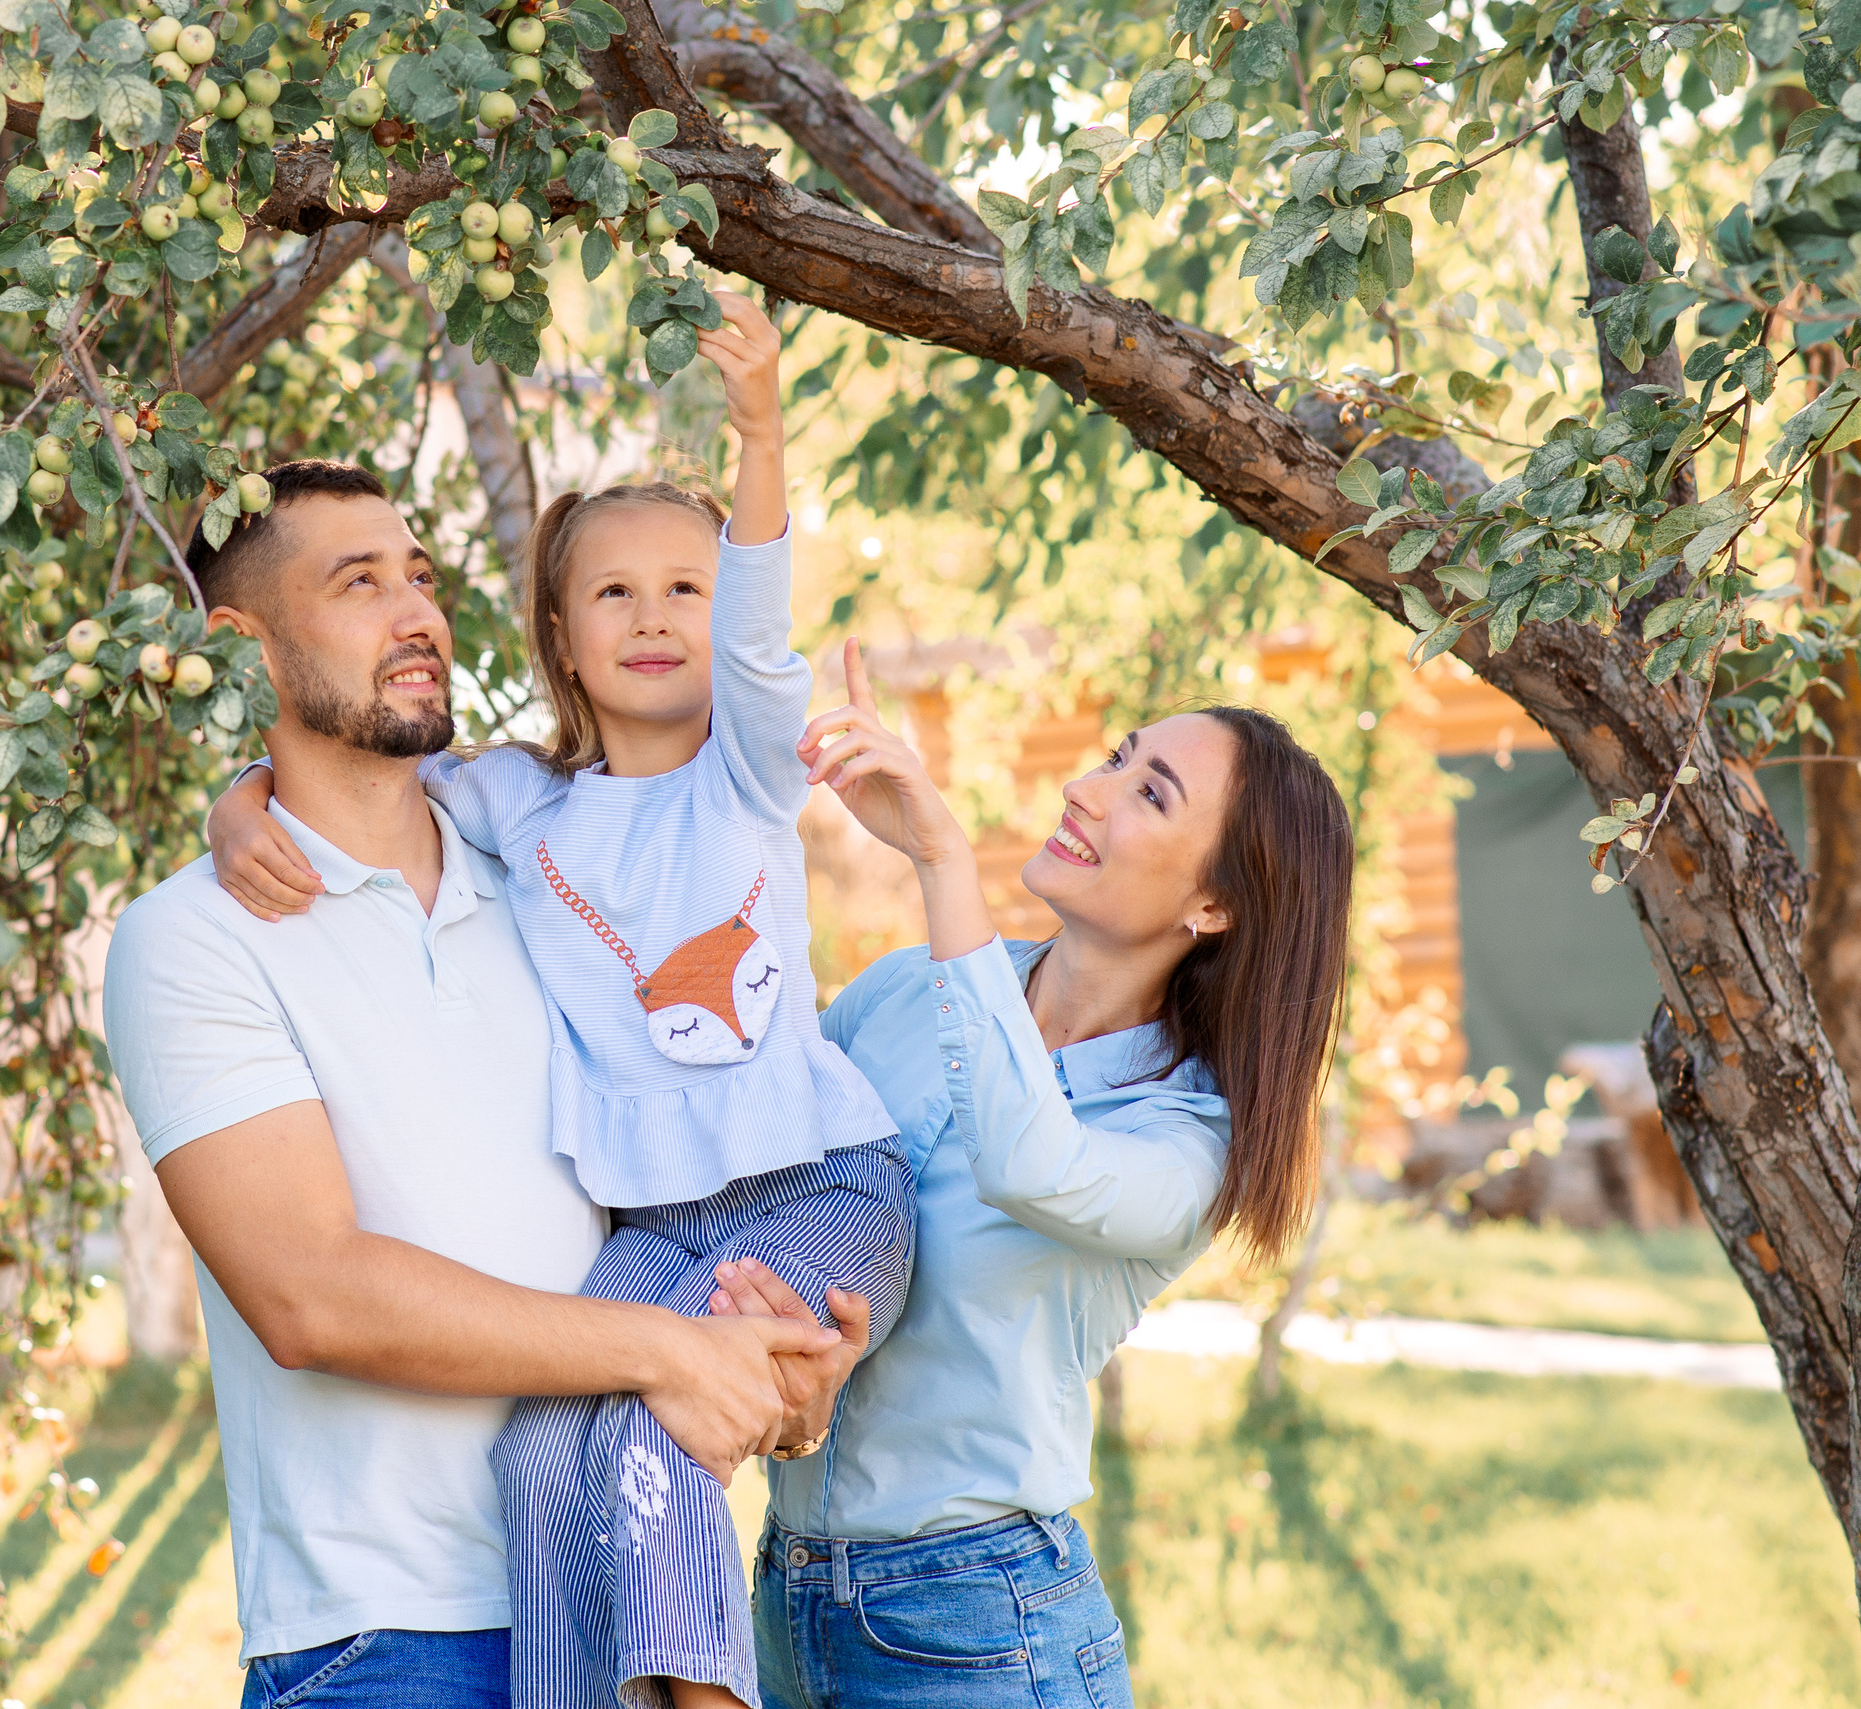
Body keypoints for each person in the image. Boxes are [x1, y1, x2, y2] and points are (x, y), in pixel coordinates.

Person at [206, 296, 911, 1709]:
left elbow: (769, 641)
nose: (654, 616)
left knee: (650, 1445)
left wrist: (760, 429)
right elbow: (343, 784)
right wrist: (235, 804)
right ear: (558, 635)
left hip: (816, 1188)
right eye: (613, 593)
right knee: (536, 1452)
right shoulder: (512, 806)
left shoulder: (749, 779)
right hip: (656, 1227)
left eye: (686, 590)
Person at [713, 642, 1353, 1708]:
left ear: (1217, 906)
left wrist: (940, 863)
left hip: (977, 1623)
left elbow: (1024, 1160)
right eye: (1115, 757)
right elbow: (765, 1188)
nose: (1085, 789)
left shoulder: (1190, 1140)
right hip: (786, 1584)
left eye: (1148, 790)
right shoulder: (906, 991)